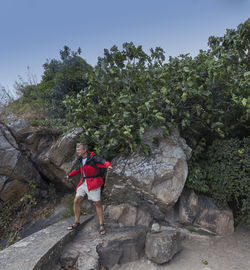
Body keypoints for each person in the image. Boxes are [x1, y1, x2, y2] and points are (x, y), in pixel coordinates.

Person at [66, 143, 112, 235]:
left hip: (93, 182)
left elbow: (103, 161)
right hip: (83, 183)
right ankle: (77, 222)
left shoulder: (93, 158)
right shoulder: (81, 160)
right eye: (77, 149)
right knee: (76, 200)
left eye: (79, 149)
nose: (77, 151)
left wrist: (108, 165)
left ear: (84, 150)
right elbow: (78, 169)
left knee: (97, 203)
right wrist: (69, 175)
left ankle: (101, 224)